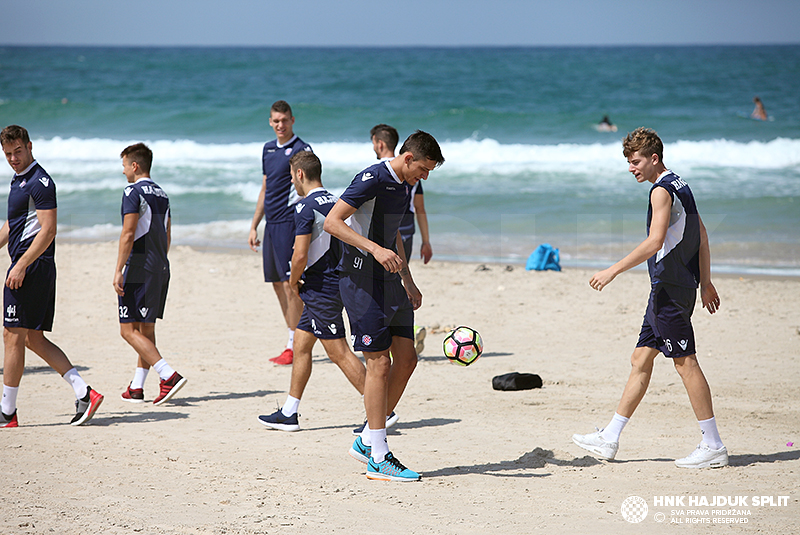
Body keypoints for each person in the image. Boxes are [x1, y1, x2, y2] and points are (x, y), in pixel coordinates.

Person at [572, 127, 727, 469]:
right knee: (640, 358)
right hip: (674, 286)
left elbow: (656, 242)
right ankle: (610, 437)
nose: (631, 167)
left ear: (654, 158)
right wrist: (706, 282)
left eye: (636, 161)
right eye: (628, 162)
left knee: (685, 362)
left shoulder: (661, 191)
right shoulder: (680, 184)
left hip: (671, 287)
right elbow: (700, 234)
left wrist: (612, 270)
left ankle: (713, 444)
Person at [325, 130, 444, 481]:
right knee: (379, 363)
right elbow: (333, 222)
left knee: (407, 359)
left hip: (392, 282)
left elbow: (392, 233)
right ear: (408, 158)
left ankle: (366, 439)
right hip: (361, 281)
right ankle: (379, 456)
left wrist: (409, 280)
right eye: (423, 169)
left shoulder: (403, 185)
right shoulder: (372, 178)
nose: (424, 177)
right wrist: (373, 249)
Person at [0, 125, 104, 427]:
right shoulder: (18, 181)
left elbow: (48, 229)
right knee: (32, 338)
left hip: (32, 265)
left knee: (11, 335)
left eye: (18, 151)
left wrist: (21, 265)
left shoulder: (40, 181)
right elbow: (13, 225)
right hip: (31, 264)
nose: (14, 158)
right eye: (8, 154)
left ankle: (7, 412)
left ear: (29, 146)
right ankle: (84, 392)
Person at [257, 151, 367, 430]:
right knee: (302, 345)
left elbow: (300, 255)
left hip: (320, 288)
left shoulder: (304, 207)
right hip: (339, 281)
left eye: (292, 176)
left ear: (299, 174)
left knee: (338, 352)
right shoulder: (337, 202)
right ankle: (289, 412)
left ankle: (383, 409)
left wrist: (293, 281)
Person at [114, 143, 187, 405]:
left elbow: (128, 233)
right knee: (146, 329)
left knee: (127, 330)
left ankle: (167, 374)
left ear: (135, 165)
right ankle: (136, 387)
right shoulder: (162, 193)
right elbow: (167, 234)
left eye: (124, 166)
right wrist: (159, 262)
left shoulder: (132, 192)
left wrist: (119, 269)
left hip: (139, 265)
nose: (123, 171)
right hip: (160, 265)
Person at [249, 100, 313, 366]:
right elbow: (265, 189)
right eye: (275, 121)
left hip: (290, 222)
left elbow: (311, 187)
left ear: (292, 120)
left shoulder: (302, 150)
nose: (280, 125)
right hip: (271, 224)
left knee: (291, 285)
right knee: (277, 284)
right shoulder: (267, 149)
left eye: (284, 120)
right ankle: (291, 337)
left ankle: (295, 344)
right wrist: (254, 225)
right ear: (270, 122)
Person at [371, 124, 430, 355]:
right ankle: (405, 331)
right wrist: (426, 241)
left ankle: (395, 334)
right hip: (407, 231)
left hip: (386, 235)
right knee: (399, 282)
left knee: (383, 285)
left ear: (379, 143)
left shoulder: (379, 171)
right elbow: (420, 209)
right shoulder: (413, 173)